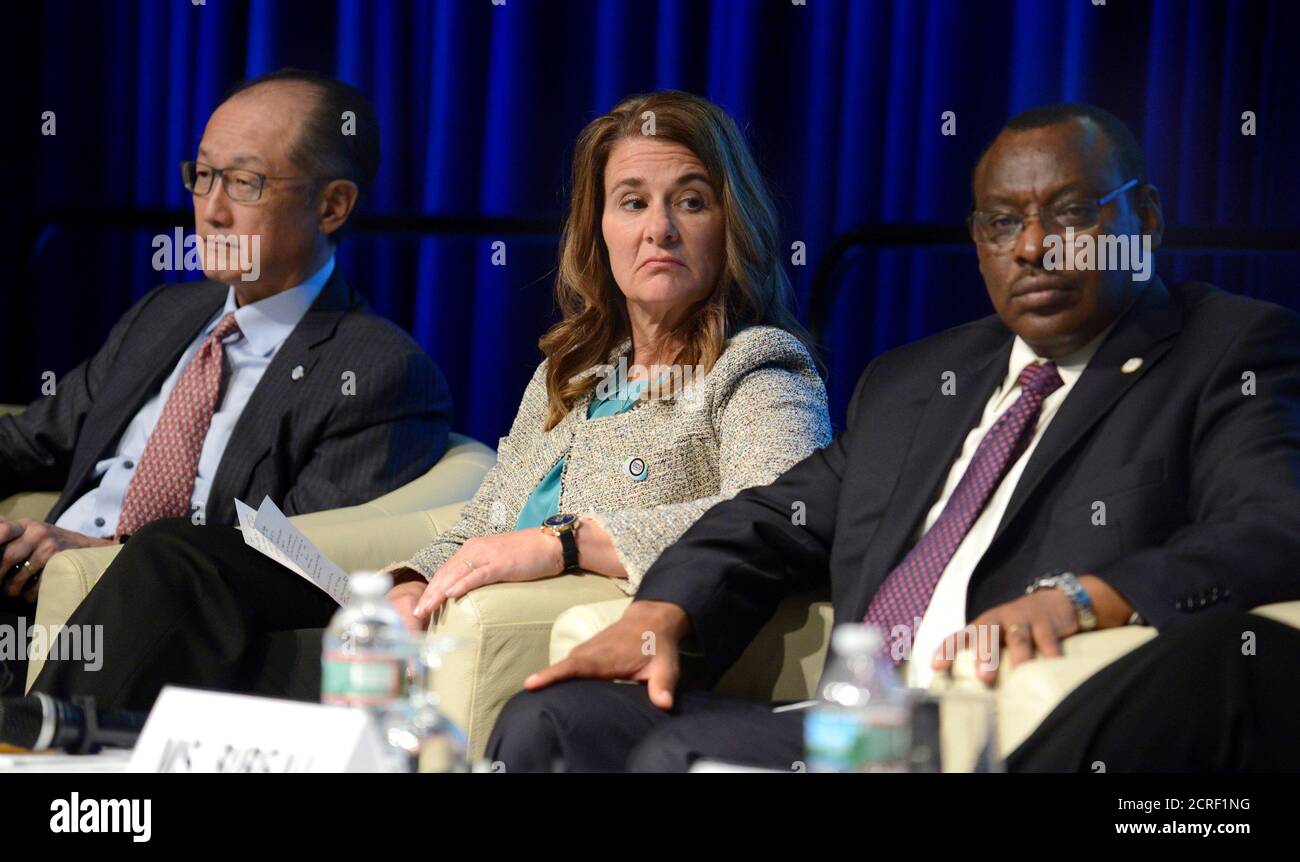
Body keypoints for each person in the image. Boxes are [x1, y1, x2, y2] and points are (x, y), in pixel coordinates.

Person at [487, 103, 1300, 772]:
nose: (1033, 245)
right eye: (1001, 221)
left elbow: (1275, 524)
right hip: (855, 718)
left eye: (1074, 212)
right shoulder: (920, 380)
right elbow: (767, 519)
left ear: (1144, 218)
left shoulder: (1226, 352)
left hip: (999, 725)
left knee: (681, 754)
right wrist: (662, 613)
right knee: (553, 722)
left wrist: (1089, 596)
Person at [20, 90, 832, 714]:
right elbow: (487, 522)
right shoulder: (577, 372)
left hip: (540, 619)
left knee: (180, 560)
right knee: (180, 553)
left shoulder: (759, 367)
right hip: (458, 600)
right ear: (601, 230)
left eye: (689, 200)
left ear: (733, 225)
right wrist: (413, 577)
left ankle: (47, 752)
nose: (659, 228)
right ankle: (51, 752)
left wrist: (568, 542)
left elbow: (772, 527)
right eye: (632, 201)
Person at [0, 68, 452, 692]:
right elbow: (28, 443)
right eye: (203, 176)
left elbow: (289, 558)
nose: (211, 212)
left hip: (153, 624)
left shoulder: (377, 369)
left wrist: (100, 554)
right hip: (22, 586)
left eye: (245, 183)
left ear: (332, 205)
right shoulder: (164, 315)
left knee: (163, 553)